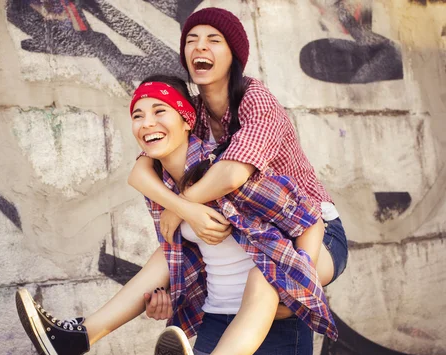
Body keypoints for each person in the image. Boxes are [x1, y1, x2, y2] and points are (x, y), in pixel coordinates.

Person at [16, 75, 337, 355]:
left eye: (159, 111)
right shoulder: (161, 187)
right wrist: (165, 294)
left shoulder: (226, 169)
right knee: (164, 255)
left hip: (276, 316)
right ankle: (78, 338)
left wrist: (298, 281)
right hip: (219, 315)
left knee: (259, 278)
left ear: (187, 119)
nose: (146, 123)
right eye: (137, 115)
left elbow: (308, 218)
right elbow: (180, 257)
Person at [128, 7, 348, 293]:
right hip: (257, 234)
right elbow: (141, 169)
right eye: (191, 40)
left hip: (313, 229)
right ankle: (82, 332)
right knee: (172, 261)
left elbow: (233, 174)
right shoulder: (191, 112)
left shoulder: (256, 100)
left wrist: (181, 206)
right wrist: (180, 208)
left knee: (277, 293)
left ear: (234, 55)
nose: (200, 46)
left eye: (213, 39)